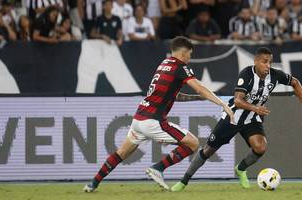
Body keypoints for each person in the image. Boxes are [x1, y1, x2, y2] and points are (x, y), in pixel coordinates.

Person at [83, 36, 234, 192]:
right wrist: (222, 103)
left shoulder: (164, 64)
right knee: (193, 143)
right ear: (183, 54)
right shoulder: (180, 67)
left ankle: (92, 184)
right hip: (152, 120)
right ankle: (158, 168)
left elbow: (174, 95)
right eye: (190, 54)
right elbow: (200, 87)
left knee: (121, 153)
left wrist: (196, 99)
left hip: (139, 118)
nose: (190, 58)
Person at [171, 47, 302, 192]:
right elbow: (238, 101)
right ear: (256, 61)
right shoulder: (246, 74)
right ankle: (183, 181)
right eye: (264, 62)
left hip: (252, 119)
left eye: (270, 62)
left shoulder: (275, 75)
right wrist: (256, 108)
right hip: (233, 117)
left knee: (260, 147)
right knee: (208, 150)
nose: (268, 66)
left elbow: (295, 82)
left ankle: (241, 169)